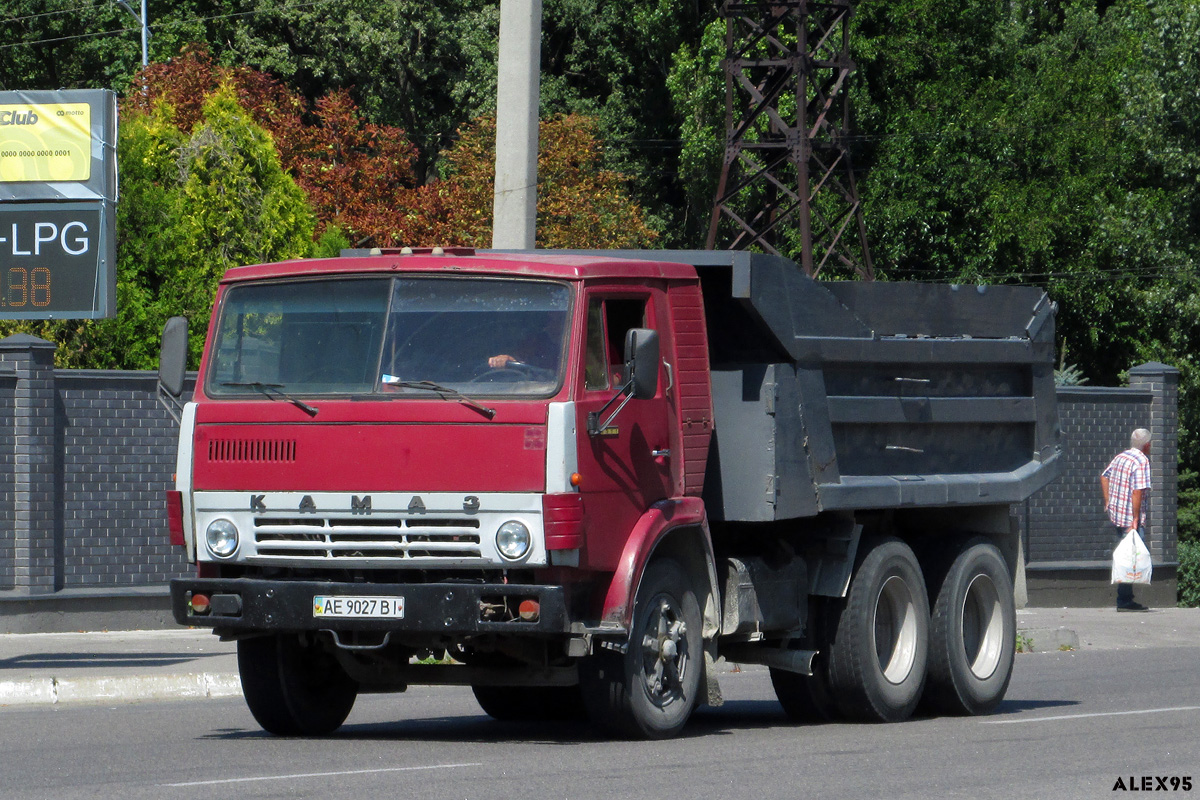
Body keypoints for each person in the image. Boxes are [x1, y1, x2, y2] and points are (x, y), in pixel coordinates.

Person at [1100, 428, 1152, 612]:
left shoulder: (1121, 457)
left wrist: (1108, 501)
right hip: (1130, 519)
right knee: (1132, 557)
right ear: (1147, 445)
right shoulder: (1142, 461)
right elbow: (1137, 490)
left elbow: (1104, 476)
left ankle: (1125, 598)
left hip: (1117, 515)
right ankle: (1124, 600)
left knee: (1127, 555)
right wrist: (1136, 519)